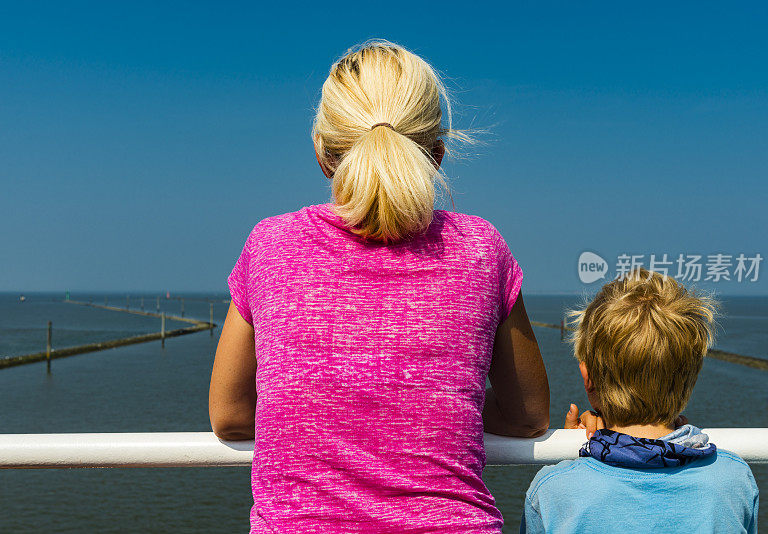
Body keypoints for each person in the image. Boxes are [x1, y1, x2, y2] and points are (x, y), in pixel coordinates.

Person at [208, 40, 550, 533]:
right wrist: (442, 403)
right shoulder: (478, 248)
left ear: (324, 155)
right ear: (437, 153)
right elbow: (527, 418)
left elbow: (232, 416)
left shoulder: (270, 246)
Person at [521, 269, 758, 534]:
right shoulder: (733, 480)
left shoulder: (554, 491)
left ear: (588, 379)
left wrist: (573, 453)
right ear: (691, 376)